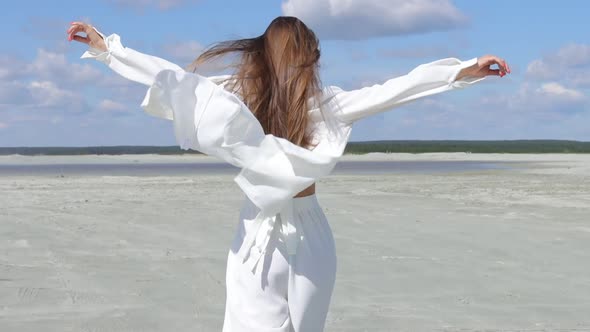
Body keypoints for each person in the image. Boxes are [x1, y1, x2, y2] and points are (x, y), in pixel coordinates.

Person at [67, 16, 510, 332]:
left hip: (280, 231)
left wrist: (460, 71)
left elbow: (396, 90)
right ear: (310, 57)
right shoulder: (242, 95)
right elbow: (171, 78)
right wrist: (109, 49)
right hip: (273, 231)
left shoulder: (309, 102)